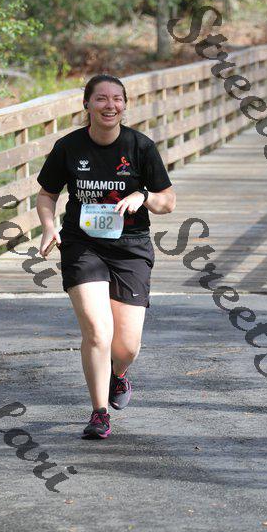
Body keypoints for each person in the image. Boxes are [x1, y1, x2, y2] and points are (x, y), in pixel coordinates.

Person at [36, 74, 176, 439]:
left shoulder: (140, 147)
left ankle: (119, 373)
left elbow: (168, 201)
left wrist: (143, 196)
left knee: (126, 346)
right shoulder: (69, 147)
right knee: (98, 332)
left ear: (125, 105)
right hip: (82, 244)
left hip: (130, 247)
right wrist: (49, 226)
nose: (109, 105)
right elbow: (47, 194)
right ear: (87, 104)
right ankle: (99, 412)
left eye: (117, 98)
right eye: (101, 98)